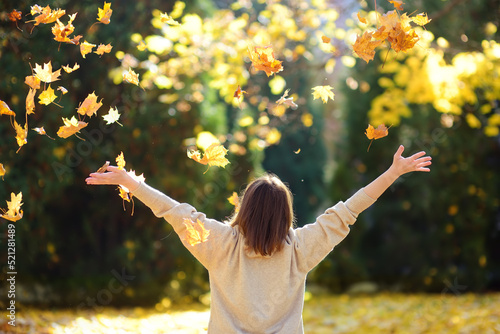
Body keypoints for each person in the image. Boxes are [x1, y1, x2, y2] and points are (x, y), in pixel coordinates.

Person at [85, 145, 431, 333]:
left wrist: (131, 182)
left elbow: (173, 211)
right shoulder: (301, 248)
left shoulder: (218, 243)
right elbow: (350, 209)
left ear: (245, 208)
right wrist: (392, 172)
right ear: (286, 213)